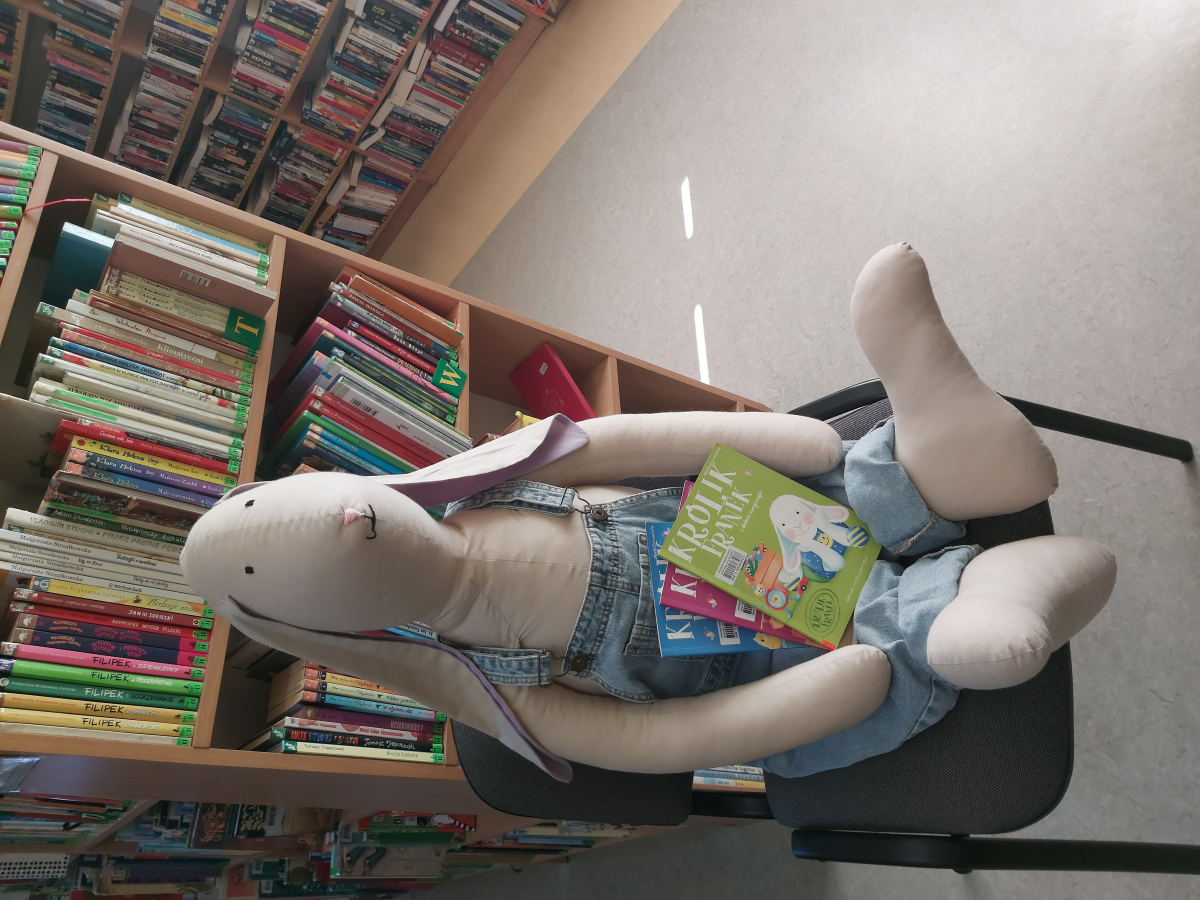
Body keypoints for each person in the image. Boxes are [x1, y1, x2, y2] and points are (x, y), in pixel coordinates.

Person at [182, 244, 1116, 779]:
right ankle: (986, 607)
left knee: (862, 478)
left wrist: (793, 442)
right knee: (903, 634)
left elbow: (621, 444)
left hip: (777, 518)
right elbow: (656, 741)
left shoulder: (491, 476)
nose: (347, 523)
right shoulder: (490, 684)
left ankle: (946, 445)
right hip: (780, 657)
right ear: (329, 626)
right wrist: (818, 697)